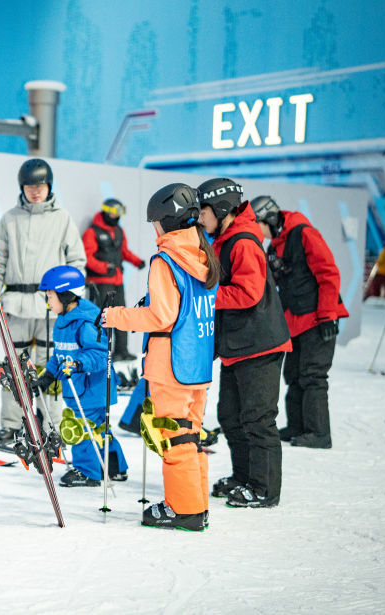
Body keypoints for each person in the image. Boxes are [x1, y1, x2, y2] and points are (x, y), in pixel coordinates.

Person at [102, 183, 219, 531]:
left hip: (170, 364)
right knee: (191, 433)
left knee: (174, 434)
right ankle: (196, 505)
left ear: (167, 221)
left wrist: (114, 316)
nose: (154, 230)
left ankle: (183, 510)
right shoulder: (204, 255)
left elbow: (161, 316)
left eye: (155, 222)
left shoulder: (166, 259)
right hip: (197, 362)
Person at [197, 178, 291, 509]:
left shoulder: (243, 242)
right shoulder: (223, 239)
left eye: (204, 211)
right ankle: (244, 477)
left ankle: (264, 489)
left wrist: (207, 296)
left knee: (258, 419)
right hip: (239, 345)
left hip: (259, 344)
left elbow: (248, 293)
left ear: (221, 209)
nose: (200, 218)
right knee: (230, 416)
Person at [0, 158, 87, 445]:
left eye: (40, 186)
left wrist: (71, 303)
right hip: (15, 305)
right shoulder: (9, 219)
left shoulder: (62, 219)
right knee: (14, 368)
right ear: (22, 187)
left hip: (50, 307)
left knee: (50, 366)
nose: (35, 191)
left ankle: (51, 425)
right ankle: (12, 425)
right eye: (30, 186)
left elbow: (77, 261)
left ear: (49, 187)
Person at [252, 196, 348, 449]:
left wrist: (328, 315)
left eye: (257, 225)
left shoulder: (304, 233)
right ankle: (297, 426)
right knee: (294, 375)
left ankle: (319, 433)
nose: (257, 233)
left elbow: (328, 273)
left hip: (318, 319)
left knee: (313, 376)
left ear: (269, 218)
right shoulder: (274, 246)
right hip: (294, 322)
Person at [31, 265, 126, 487]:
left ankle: (87, 471)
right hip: (80, 388)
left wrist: (79, 363)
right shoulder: (64, 318)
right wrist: (49, 376)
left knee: (80, 427)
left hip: (92, 388)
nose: (48, 302)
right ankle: (114, 468)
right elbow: (61, 353)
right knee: (99, 428)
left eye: (50, 296)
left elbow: (100, 354)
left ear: (66, 295)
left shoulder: (86, 322)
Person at [82, 198, 145, 362]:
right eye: (114, 212)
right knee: (102, 318)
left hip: (117, 281)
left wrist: (137, 261)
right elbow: (87, 257)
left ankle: (121, 351)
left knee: (122, 315)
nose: (117, 215)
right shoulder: (92, 232)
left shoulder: (119, 231)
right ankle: (101, 352)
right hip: (100, 282)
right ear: (106, 211)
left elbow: (123, 252)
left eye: (120, 212)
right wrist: (104, 267)